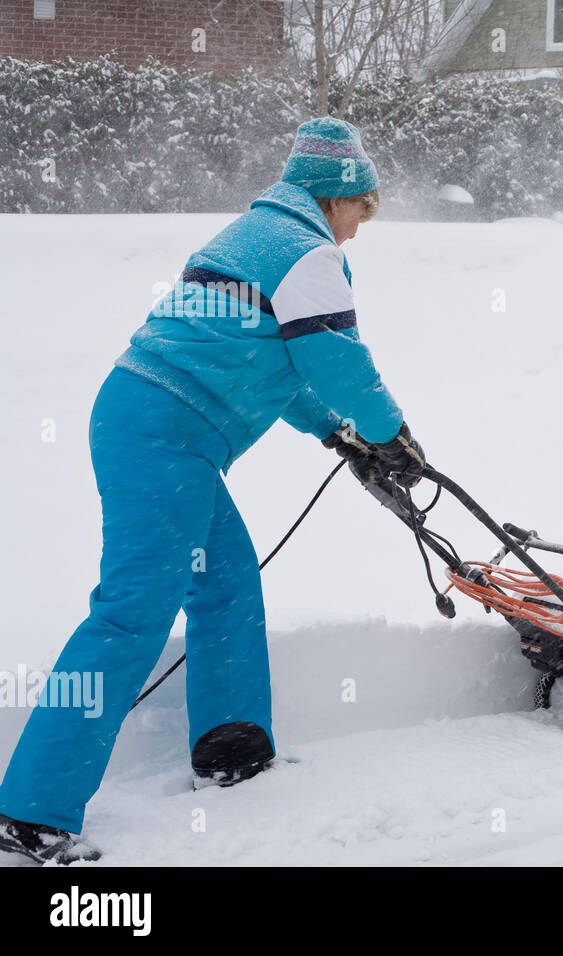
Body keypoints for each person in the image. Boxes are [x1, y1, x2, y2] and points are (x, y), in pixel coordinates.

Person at [0, 117, 424, 864]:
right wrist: (388, 432)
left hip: (153, 425)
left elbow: (289, 374)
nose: (362, 227)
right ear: (335, 196)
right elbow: (337, 363)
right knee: (132, 614)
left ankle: (233, 749)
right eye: (363, 207)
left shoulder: (260, 236)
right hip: (163, 438)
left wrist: (340, 436)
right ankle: (32, 811)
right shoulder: (308, 254)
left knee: (224, 582)